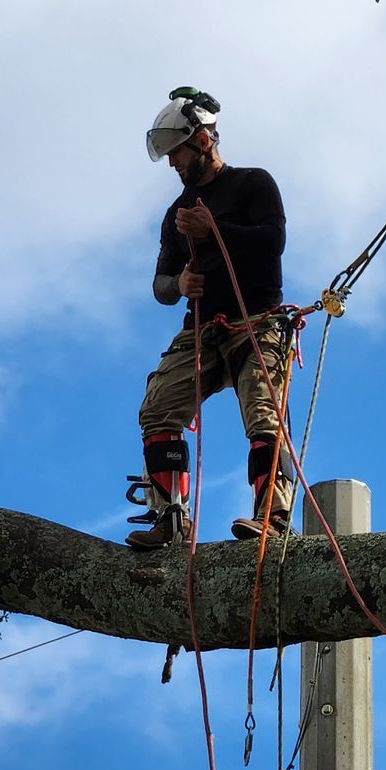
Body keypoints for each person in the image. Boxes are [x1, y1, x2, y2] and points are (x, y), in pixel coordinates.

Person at [125, 86, 295, 549]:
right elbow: (160, 285)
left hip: (254, 321)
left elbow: (272, 241)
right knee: (158, 408)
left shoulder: (253, 184)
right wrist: (179, 284)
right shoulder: (176, 214)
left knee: (263, 413)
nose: (172, 164)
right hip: (201, 329)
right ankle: (171, 520)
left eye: (176, 152)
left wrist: (214, 230)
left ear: (202, 141)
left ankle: (273, 519)